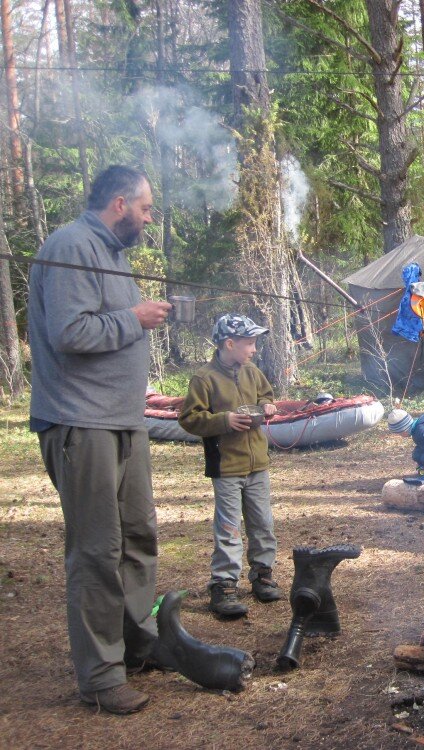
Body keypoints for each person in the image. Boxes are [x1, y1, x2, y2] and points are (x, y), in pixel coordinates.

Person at [28, 165, 171, 714]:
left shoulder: (114, 254)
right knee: (96, 550)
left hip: (122, 420)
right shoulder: (70, 245)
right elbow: (70, 333)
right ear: (119, 203)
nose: (149, 217)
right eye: (146, 207)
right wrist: (135, 318)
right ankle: (101, 675)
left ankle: (135, 643)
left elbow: (110, 323)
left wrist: (134, 318)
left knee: (138, 535)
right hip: (79, 422)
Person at [178, 314, 282, 619]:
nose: (254, 348)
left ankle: (262, 574)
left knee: (263, 523)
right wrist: (224, 421)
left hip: (257, 465)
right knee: (229, 527)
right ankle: (223, 584)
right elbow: (189, 419)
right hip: (226, 467)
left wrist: (268, 407)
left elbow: (266, 396)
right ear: (229, 343)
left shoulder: (252, 372)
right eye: (249, 342)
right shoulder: (204, 378)